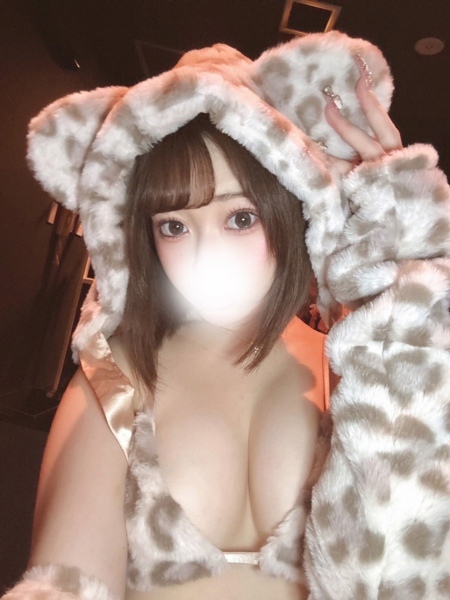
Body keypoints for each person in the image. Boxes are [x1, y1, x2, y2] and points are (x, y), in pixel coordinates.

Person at [3, 31, 450, 600]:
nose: (203, 256)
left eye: (240, 218)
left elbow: (416, 564)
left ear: (294, 206)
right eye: (174, 226)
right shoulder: (118, 377)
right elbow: (63, 584)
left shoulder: (358, 370)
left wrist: (411, 277)